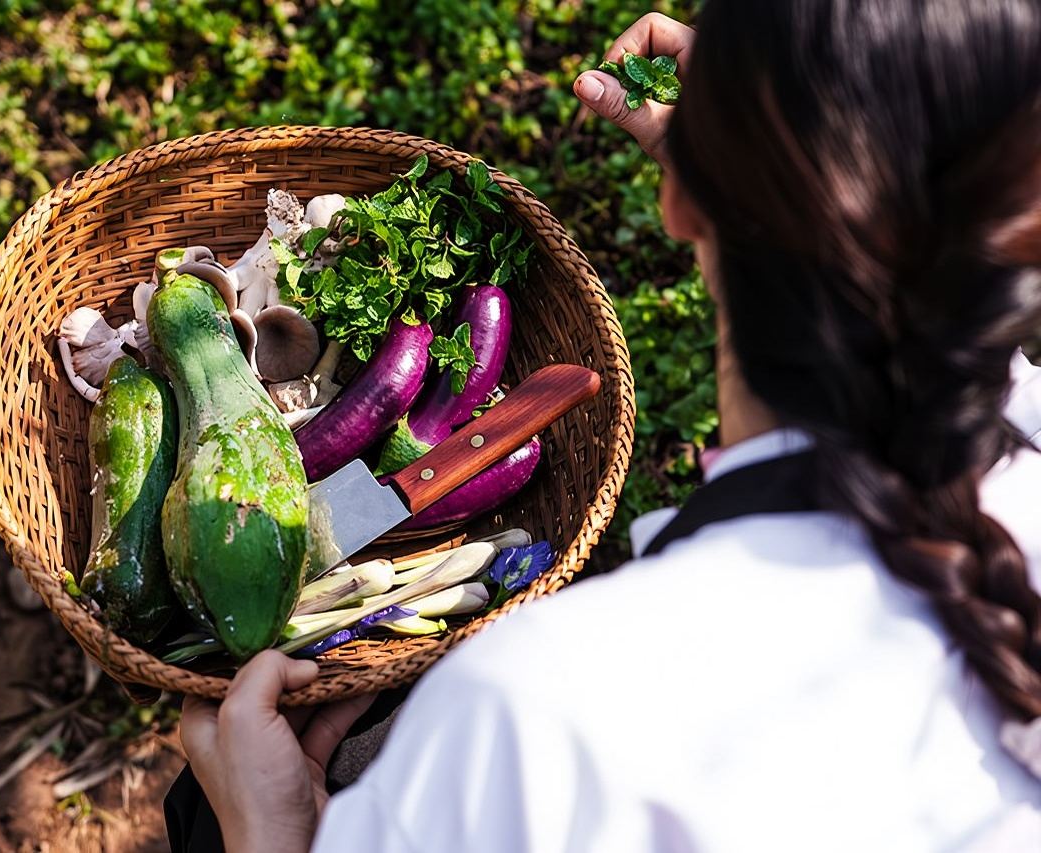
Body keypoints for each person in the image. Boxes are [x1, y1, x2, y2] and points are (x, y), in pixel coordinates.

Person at [175, 1, 1041, 849]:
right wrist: (738, 167)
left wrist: (265, 833)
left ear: (680, 204)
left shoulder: (534, 722)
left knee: (215, 798)